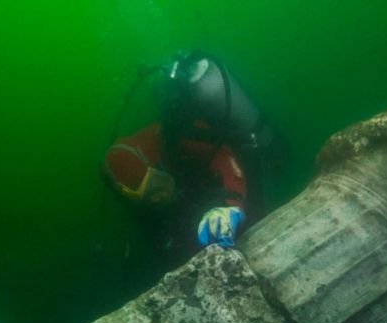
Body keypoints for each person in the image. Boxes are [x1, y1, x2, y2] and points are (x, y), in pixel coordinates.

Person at [102, 51, 277, 268]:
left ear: (155, 166)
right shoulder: (127, 175)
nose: (161, 197)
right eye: (149, 196)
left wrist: (230, 207)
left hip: (232, 180)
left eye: (159, 186)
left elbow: (224, 159)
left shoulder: (178, 135)